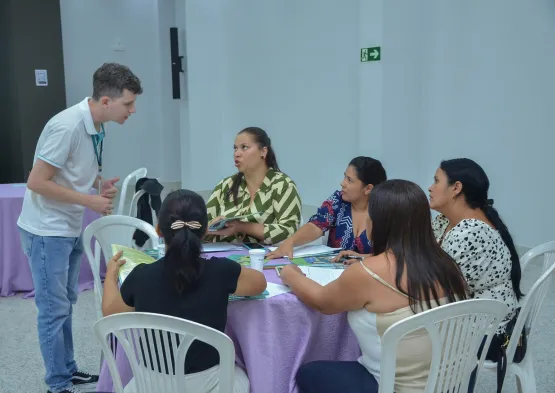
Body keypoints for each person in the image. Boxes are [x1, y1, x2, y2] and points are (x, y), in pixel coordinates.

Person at [17, 62, 142, 393]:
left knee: (66, 302)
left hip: (68, 224)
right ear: (105, 101)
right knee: (52, 309)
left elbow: (73, 169)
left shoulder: (97, 125)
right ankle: (56, 384)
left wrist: (99, 185)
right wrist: (90, 201)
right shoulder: (67, 127)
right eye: (128, 104)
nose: (132, 110)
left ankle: (67, 369)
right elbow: (36, 181)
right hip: (47, 230)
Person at [280, 180, 468, 393]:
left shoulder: (369, 272)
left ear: (379, 221)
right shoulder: (448, 264)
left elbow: (322, 301)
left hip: (391, 387)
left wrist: (290, 274)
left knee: (308, 373)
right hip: (450, 384)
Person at [102, 189, 266, 393]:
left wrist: (110, 275)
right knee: (248, 370)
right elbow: (260, 283)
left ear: (159, 230)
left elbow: (110, 312)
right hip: (212, 385)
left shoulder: (141, 275)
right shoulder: (222, 271)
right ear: (206, 231)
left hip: (152, 385)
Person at [428, 158, 523, 332]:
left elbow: (434, 288)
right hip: (461, 314)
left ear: (456, 188)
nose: (430, 187)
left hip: (482, 333)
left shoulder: (471, 233)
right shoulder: (444, 221)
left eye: (436, 181)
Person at [267, 156, 386, 260]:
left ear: (368, 189)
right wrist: (291, 242)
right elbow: (316, 225)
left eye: (349, 180)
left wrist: (361, 258)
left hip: (370, 276)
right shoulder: (339, 200)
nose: (342, 183)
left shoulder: (384, 212)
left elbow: (394, 256)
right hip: (332, 273)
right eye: (344, 177)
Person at [206, 127, 301, 245]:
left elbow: (289, 231)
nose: (237, 154)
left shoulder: (282, 185)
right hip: (221, 256)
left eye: (244, 147)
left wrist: (242, 227)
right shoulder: (225, 185)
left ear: (263, 151)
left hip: (264, 258)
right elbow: (199, 227)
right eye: (235, 148)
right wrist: (211, 228)